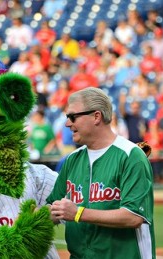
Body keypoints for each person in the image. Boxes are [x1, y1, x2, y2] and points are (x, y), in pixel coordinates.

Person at [47, 87, 156, 258]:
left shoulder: (131, 156)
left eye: (73, 116)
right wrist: (22, 224)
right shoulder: (72, 160)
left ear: (96, 116)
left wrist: (78, 213)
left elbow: (133, 216)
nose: (68, 123)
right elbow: (54, 208)